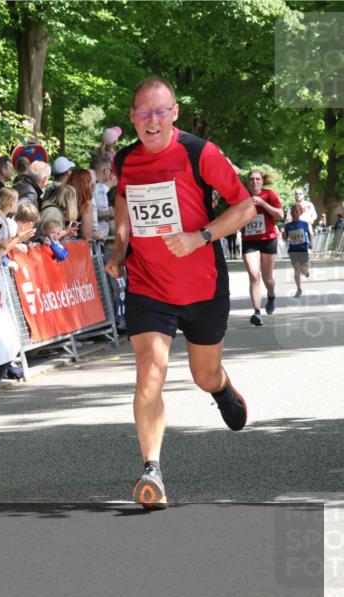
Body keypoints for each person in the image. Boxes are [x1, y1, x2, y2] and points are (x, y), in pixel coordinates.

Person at [105, 77, 254, 510]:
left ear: (174, 113)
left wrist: (201, 236)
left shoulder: (198, 152)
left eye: (160, 111)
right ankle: (151, 469)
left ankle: (222, 389)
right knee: (150, 369)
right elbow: (123, 202)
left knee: (203, 374)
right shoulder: (125, 161)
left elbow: (244, 205)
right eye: (143, 112)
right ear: (133, 116)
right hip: (149, 284)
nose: (152, 120)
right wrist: (120, 248)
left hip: (202, 284)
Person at [241, 169, 283, 325]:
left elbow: (280, 215)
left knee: (268, 278)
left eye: (257, 179)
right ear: (248, 182)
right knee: (254, 275)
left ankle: (271, 296)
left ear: (262, 181)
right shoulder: (242, 196)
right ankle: (257, 312)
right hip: (249, 240)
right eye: (251, 179)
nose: (254, 181)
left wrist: (262, 203)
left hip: (268, 239)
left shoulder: (269, 195)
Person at [282, 203, 312, 298]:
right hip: (293, 250)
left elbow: (310, 234)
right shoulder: (288, 225)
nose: (294, 213)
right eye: (293, 211)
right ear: (290, 213)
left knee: (303, 270)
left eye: (296, 211)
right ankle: (299, 289)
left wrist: (311, 245)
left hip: (303, 249)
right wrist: (283, 235)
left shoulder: (304, 224)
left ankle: (306, 272)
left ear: (300, 212)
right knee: (296, 269)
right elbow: (285, 238)